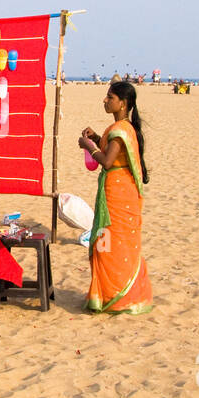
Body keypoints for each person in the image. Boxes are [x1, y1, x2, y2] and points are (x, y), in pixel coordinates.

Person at [78, 81, 152, 315]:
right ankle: (106, 294)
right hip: (115, 191)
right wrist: (98, 137)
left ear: (123, 103)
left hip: (118, 196)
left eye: (110, 98)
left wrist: (88, 146)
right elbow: (112, 150)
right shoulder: (121, 128)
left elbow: (108, 161)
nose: (105, 100)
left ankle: (115, 296)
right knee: (109, 243)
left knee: (113, 245)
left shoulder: (121, 130)